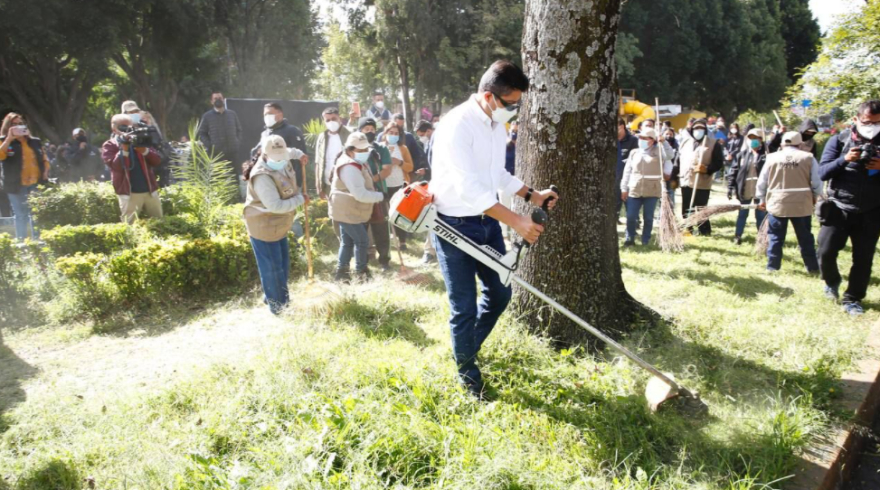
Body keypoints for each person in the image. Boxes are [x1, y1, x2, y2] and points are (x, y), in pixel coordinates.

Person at [430, 60, 557, 399]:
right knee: (464, 306)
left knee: (500, 294)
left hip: (487, 223)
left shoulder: (495, 125)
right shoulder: (458, 125)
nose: (514, 111)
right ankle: (469, 379)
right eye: (510, 104)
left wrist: (533, 194)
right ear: (488, 96)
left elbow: (497, 174)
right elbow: (469, 188)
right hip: (453, 226)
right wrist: (516, 220)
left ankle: (466, 350)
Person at [817, 100, 880, 316]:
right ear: (856, 119)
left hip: (871, 210)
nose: (872, 126)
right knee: (825, 252)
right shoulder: (839, 140)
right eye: (867, 122)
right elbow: (822, 172)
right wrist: (844, 159)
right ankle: (831, 281)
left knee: (863, 258)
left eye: (877, 122)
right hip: (838, 207)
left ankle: (853, 299)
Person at [242, 135, 307, 315]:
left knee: (282, 265)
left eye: (282, 155)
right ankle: (279, 306)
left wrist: (300, 155)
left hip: (278, 224)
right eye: (275, 156)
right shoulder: (262, 176)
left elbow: (291, 152)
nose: (280, 158)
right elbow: (276, 206)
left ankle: (272, 295)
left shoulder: (284, 155)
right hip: (264, 224)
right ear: (264, 153)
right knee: (272, 268)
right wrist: (301, 199)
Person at [756, 131, 821, 274]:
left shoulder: (771, 158)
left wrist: (761, 199)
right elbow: (816, 182)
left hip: (777, 203)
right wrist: (815, 195)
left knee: (775, 237)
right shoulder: (808, 158)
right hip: (801, 204)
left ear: (781, 144)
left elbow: (762, 181)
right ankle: (812, 267)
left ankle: (772, 267)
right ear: (800, 144)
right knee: (805, 238)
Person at [329, 132, 386, 282]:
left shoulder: (355, 161)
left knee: (347, 242)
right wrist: (380, 196)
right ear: (349, 149)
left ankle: (342, 273)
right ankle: (361, 272)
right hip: (347, 210)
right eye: (360, 150)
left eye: (366, 149)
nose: (364, 153)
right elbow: (360, 194)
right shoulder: (349, 167)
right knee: (362, 241)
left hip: (349, 209)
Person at [102, 114, 163, 223]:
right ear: (114, 128)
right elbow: (116, 166)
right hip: (129, 194)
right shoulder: (110, 145)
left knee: (159, 223)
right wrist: (124, 149)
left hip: (150, 192)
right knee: (129, 227)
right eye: (123, 127)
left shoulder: (140, 140)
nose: (128, 130)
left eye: (130, 126)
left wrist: (144, 151)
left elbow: (157, 161)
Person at [0, 113, 49, 241]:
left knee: (36, 214)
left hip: (35, 182)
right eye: (13, 124)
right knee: (20, 215)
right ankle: (22, 243)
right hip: (15, 184)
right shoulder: (4, 140)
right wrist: (9, 139)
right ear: (8, 127)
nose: (17, 127)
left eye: (20, 124)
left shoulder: (35, 141)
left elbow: (44, 158)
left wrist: (46, 171)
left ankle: (38, 241)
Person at [620, 129, 671, 246]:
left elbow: (669, 155)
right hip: (635, 188)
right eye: (641, 138)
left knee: (648, 217)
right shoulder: (634, 152)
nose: (642, 140)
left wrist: (664, 142)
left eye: (645, 138)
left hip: (652, 189)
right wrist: (624, 188)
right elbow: (627, 171)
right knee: (631, 216)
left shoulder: (658, 151)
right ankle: (630, 238)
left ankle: (645, 239)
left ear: (652, 141)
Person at [676, 118, 724, 235]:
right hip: (686, 180)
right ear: (692, 130)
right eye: (696, 128)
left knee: (701, 208)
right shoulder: (685, 142)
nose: (698, 131)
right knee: (686, 207)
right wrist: (675, 176)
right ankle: (688, 229)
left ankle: (704, 231)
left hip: (701, 182)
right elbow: (678, 160)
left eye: (701, 128)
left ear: (705, 130)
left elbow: (719, 163)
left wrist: (707, 169)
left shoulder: (713, 143)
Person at [358, 118, 394, 271]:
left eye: (372, 129)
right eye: (366, 129)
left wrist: (372, 180)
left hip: (378, 191)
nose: (370, 131)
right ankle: (363, 260)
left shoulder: (381, 149)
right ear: (360, 131)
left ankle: (384, 260)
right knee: (361, 229)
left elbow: (387, 169)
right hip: (360, 194)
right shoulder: (355, 148)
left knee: (381, 228)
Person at [727, 128, 767, 245]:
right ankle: (738, 236)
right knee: (742, 214)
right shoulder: (742, 155)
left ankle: (761, 238)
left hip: (760, 190)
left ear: (761, 140)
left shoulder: (766, 155)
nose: (753, 141)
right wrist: (730, 187)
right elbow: (733, 171)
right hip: (745, 189)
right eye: (750, 138)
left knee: (761, 215)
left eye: (755, 138)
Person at [379, 123, 414, 251]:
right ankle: (387, 241)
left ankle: (402, 241)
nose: (393, 135)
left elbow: (410, 167)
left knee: (400, 213)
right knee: (384, 214)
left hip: (399, 184)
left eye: (396, 133)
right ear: (385, 133)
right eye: (391, 133)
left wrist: (399, 162)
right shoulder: (380, 147)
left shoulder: (403, 149)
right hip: (383, 184)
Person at [197, 91, 243, 171]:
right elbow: (201, 133)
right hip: (216, 155)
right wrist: (211, 146)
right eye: (215, 99)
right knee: (218, 180)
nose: (218, 100)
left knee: (234, 179)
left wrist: (237, 142)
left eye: (220, 98)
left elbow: (239, 130)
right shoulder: (207, 116)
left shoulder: (232, 114)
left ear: (223, 99)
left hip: (232, 153)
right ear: (211, 102)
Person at [315, 107, 351, 200]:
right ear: (324, 121)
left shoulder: (350, 134)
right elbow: (318, 162)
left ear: (340, 119)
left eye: (334, 119)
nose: (331, 122)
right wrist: (318, 185)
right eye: (328, 120)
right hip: (328, 184)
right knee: (332, 212)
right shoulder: (322, 137)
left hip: (346, 183)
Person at [616, 118, 639, 223]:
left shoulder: (633, 141)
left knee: (630, 206)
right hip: (614, 179)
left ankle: (633, 226)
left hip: (629, 179)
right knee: (614, 205)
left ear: (622, 126)